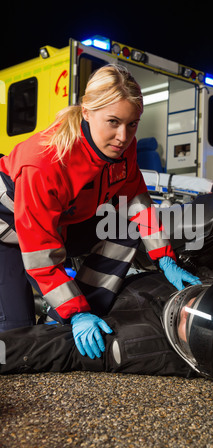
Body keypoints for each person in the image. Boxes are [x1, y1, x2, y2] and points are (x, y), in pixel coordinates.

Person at [0, 64, 200, 353]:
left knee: (123, 225)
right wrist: (76, 312)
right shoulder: (44, 162)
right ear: (87, 112)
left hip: (56, 226)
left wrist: (165, 258)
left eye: (133, 124)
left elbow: (136, 201)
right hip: (9, 230)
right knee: (16, 342)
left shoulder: (122, 147)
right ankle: (73, 312)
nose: (123, 136)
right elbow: (41, 252)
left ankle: (67, 315)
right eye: (113, 122)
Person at [0, 271, 213, 385]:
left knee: (16, 319)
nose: (184, 305)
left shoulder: (138, 346)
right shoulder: (189, 286)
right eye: (200, 298)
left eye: (189, 322)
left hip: (73, 300)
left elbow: (46, 346)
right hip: (83, 270)